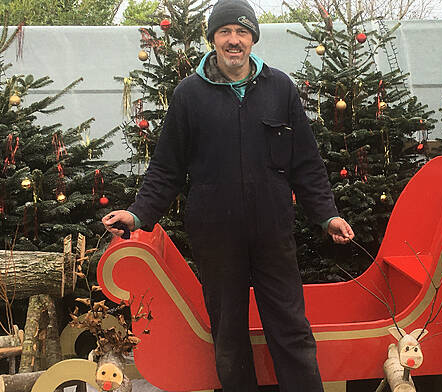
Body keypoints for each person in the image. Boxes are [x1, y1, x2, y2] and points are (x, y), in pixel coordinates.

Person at [102, 0, 354, 390]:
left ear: (253, 38)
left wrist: (327, 215)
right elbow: (166, 168)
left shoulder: (280, 88)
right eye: (225, 32)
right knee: (229, 335)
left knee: (291, 328)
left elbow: (306, 163)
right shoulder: (189, 95)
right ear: (213, 39)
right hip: (216, 235)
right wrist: (136, 215)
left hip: (272, 232)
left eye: (242, 32)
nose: (234, 40)